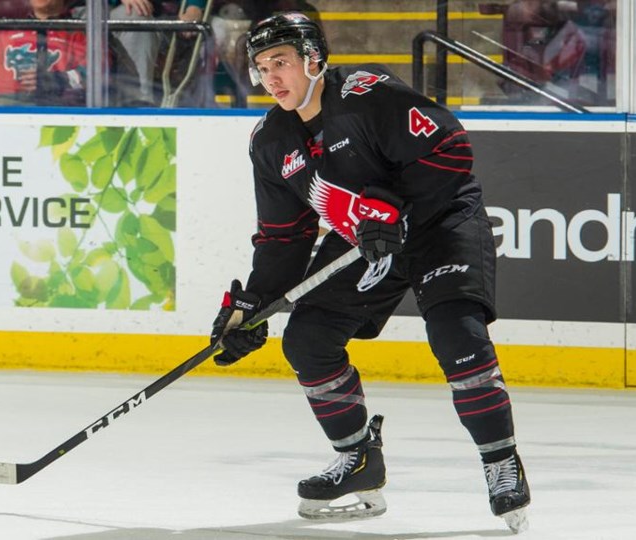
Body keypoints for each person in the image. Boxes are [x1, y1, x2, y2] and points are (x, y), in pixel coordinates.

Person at [208, 12, 531, 533]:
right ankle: (359, 458)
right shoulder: (270, 141)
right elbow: (283, 238)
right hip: (363, 240)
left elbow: (451, 148)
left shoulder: (366, 93)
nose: (272, 77)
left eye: (282, 63)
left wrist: (390, 206)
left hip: (439, 221)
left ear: (314, 59)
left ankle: (500, 460)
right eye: (263, 66)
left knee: (455, 332)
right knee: (308, 340)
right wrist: (253, 304)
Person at [0, 0, 86, 106]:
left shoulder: (79, 34)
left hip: (56, 107)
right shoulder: (2, 31)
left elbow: (93, 74)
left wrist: (55, 80)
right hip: (2, 105)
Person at [108, 0, 207, 105]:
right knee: (138, 18)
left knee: (219, 30)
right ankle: (139, 104)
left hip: (173, 15)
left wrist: (195, 6)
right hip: (114, 10)